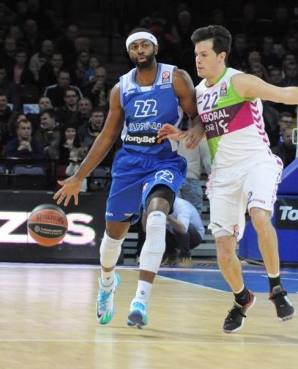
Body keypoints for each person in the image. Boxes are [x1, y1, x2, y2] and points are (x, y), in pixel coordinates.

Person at [158, 25, 298, 333]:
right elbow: (205, 127)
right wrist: (183, 134)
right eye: (196, 55)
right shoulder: (199, 93)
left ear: (221, 56)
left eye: (204, 54)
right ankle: (242, 299)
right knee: (224, 250)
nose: (198, 60)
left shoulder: (239, 82)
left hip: (256, 162)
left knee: (259, 214)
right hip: (223, 173)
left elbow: (285, 94)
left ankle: (277, 288)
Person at [54, 28, 204, 329]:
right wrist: (79, 176)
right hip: (129, 165)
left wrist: (194, 131)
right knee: (113, 237)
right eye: (134, 46)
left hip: (164, 161)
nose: (140, 50)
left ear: (155, 48)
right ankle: (107, 283)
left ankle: (140, 301)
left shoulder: (176, 78)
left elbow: (196, 116)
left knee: (157, 218)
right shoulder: (121, 88)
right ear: (129, 53)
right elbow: (107, 136)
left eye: (145, 45)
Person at [160, 197, 206, 267]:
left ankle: (186, 256)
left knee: (179, 227)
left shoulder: (182, 205)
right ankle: (170, 255)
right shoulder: (156, 205)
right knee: (156, 227)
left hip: (194, 237)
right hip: (173, 234)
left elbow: (183, 229)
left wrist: (167, 216)